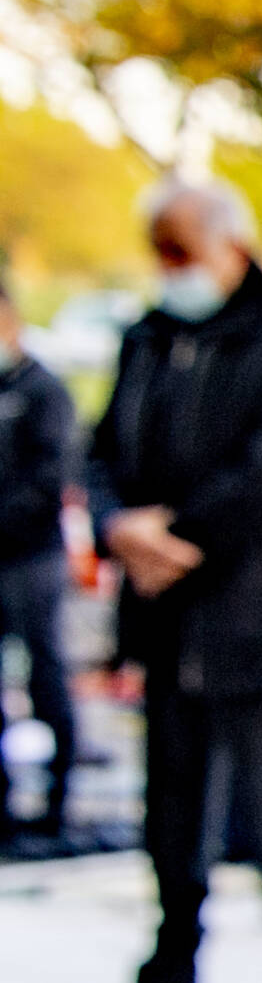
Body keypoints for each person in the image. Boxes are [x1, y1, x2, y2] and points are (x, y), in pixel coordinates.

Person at [87, 181, 262, 983]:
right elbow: (102, 454)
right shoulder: (149, 338)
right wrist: (119, 527)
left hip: (261, 610)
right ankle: (171, 972)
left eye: (179, 251)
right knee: (171, 809)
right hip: (166, 616)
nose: (169, 270)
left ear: (228, 246)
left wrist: (182, 535)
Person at [0, 273, 78, 840]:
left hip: (33, 556)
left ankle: (59, 795)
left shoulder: (43, 391)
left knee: (46, 672)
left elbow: (52, 476)